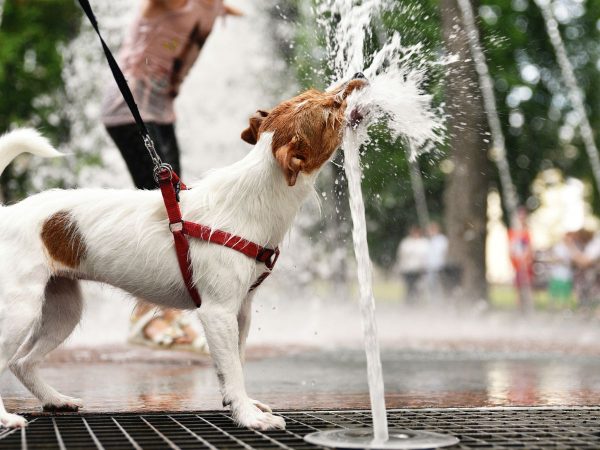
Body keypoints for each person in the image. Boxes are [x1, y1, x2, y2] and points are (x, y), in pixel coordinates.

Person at [101, 0, 242, 351]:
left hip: (162, 115)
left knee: (179, 209)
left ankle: (159, 313)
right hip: (128, 111)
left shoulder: (215, 8)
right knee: (167, 212)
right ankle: (150, 318)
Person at [508, 207, 534, 311]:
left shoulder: (526, 233)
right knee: (518, 289)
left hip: (526, 265)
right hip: (517, 265)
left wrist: (525, 258)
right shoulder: (512, 233)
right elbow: (510, 249)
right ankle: (519, 309)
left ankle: (528, 308)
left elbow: (529, 248)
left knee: (526, 287)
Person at [567, 229, 600, 308]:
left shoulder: (596, 243)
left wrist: (570, 245)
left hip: (592, 281)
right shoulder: (590, 245)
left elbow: (584, 262)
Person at [397, 226, 428, 304]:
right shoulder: (406, 242)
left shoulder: (423, 243)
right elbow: (401, 255)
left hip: (419, 269)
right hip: (408, 269)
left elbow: (425, 256)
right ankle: (409, 302)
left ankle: (417, 301)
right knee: (409, 287)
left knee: (418, 287)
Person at [547, 234, 573, 304]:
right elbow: (552, 258)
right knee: (555, 293)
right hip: (557, 274)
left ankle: (565, 306)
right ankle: (554, 307)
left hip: (567, 275)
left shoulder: (572, 247)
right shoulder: (558, 247)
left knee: (565, 294)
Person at [425, 221, 448, 299]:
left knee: (438, 286)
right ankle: (433, 301)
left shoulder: (442, 240)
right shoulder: (429, 241)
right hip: (430, 267)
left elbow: (441, 253)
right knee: (431, 286)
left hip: (439, 266)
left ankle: (439, 301)